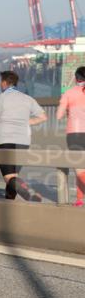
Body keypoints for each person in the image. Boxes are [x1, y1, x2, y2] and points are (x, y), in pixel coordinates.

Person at [0, 70, 47, 201]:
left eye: (0, 82)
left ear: (4, 83)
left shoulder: (0, 98)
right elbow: (43, 117)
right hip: (23, 141)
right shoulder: (27, 98)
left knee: (9, 177)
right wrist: (26, 122)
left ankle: (29, 192)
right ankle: (10, 201)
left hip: (5, 140)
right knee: (13, 175)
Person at [56, 65, 85, 207]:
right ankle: (79, 200)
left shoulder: (69, 93)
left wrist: (68, 109)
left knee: (79, 168)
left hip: (75, 134)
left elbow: (59, 115)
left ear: (76, 78)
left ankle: (80, 200)